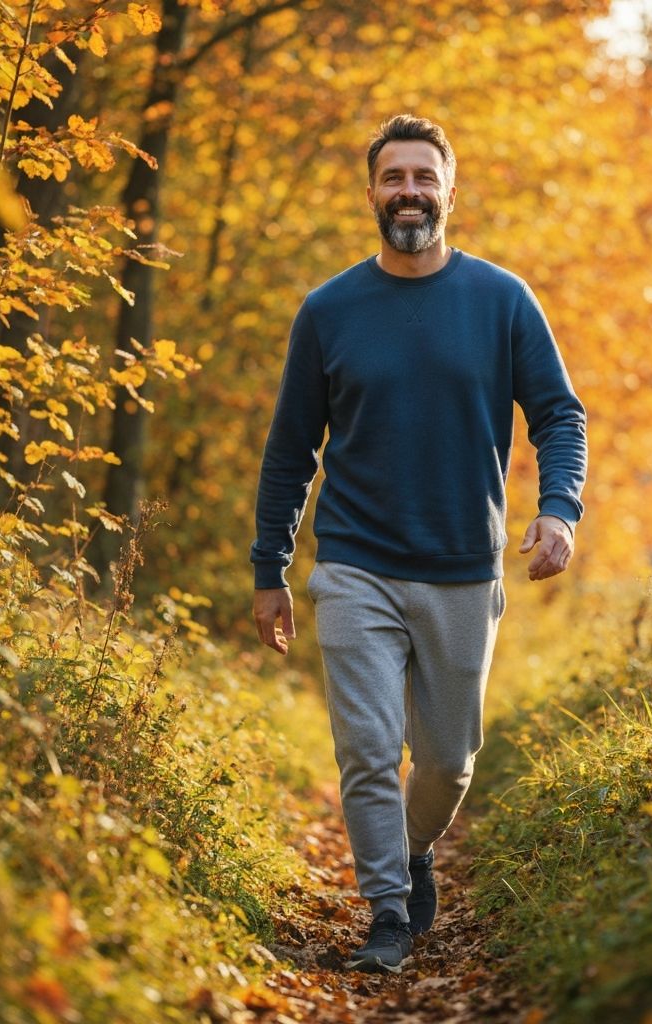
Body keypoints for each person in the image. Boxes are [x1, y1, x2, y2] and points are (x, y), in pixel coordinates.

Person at [251, 114, 587, 974]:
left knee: (446, 760)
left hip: (463, 572)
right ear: (371, 193)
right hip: (354, 565)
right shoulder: (328, 311)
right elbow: (292, 450)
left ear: (448, 190)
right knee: (366, 749)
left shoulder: (502, 300)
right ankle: (387, 916)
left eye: (423, 177)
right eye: (393, 177)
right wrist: (271, 568)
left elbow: (557, 413)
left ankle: (414, 847)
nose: (408, 191)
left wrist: (559, 509)